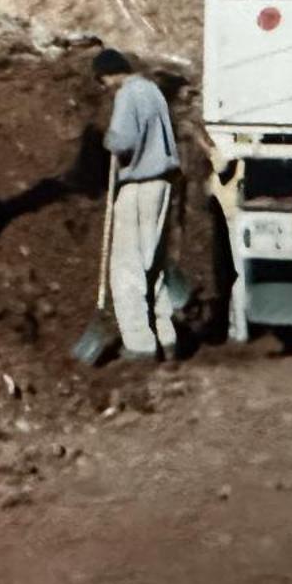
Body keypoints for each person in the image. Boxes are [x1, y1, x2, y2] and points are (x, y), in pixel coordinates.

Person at [96, 48, 181, 361]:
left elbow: (122, 140)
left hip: (137, 186)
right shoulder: (154, 90)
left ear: (110, 73)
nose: (104, 86)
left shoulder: (127, 94)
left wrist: (108, 139)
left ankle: (139, 345)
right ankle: (167, 337)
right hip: (162, 184)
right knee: (152, 265)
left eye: (103, 79)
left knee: (126, 268)